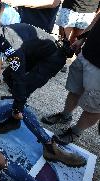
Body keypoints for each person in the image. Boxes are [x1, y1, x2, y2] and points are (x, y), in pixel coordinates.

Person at [0, 14, 67, 126]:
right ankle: (16, 99)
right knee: (8, 76)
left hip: (51, 59)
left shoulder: (11, 47)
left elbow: (20, 80)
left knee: (24, 86)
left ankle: (15, 120)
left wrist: (17, 109)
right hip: (34, 52)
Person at [41, 12, 100, 145]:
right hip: (88, 52)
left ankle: (76, 131)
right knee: (75, 90)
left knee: (94, 106)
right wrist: (82, 37)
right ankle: (65, 116)